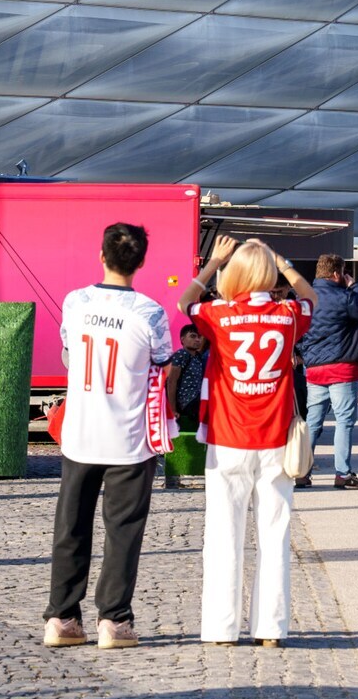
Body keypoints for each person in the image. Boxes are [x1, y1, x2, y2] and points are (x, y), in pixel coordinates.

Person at [43, 223, 176, 651]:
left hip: (81, 432)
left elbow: (68, 351)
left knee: (71, 527)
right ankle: (113, 621)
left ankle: (62, 618)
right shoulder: (151, 312)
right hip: (129, 436)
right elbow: (163, 364)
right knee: (123, 530)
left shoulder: (76, 302)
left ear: (101, 256)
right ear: (140, 263)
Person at [182, 236, 317, 647]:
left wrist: (212, 264)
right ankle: (271, 628)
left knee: (224, 534)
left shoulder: (218, 313)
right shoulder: (288, 314)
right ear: (270, 276)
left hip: (228, 436)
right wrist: (286, 264)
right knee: (275, 532)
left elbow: (183, 302)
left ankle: (221, 628)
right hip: (275, 435)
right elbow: (311, 298)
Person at [300, 255, 358, 490]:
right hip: (342, 367)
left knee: (313, 422)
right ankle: (342, 473)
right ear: (337, 274)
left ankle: (302, 472)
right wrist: (354, 286)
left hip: (314, 368)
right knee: (344, 421)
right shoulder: (345, 297)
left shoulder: (306, 298)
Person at [165, 323, 209, 490]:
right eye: (192, 336)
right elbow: (172, 381)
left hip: (197, 401)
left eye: (199, 337)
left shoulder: (198, 357)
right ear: (182, 339)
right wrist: (172, 408)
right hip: (187, 402)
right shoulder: (181, 355)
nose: (197, 340)